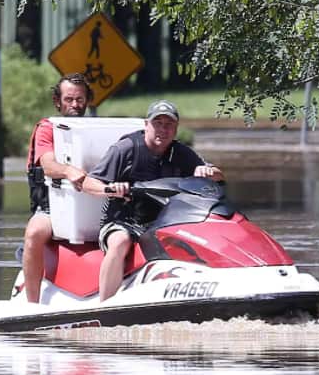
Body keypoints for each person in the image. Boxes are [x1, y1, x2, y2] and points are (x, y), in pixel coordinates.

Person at [82, 100, 225, 301]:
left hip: (166, 221)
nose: (163, 130)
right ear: (146, 124)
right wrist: (110, 188)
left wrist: (208, 171)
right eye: (157, 123)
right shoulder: (125, 149)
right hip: (123, 221)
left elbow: (218, 175)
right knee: (120, 242)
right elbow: (88, 183)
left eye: (169, 125)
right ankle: (105, 305)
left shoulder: (181, 153)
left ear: (175, 129)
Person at [22, 73, 94, 303]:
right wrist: (68, 171)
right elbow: (48, 165)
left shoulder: (99, 128)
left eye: (80, 99)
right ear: (57, 102)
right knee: (34, 233)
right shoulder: (47, 129)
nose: (75, 105)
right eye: (69, 99)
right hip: (52, 207)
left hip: (96, 206)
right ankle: (31, 305)